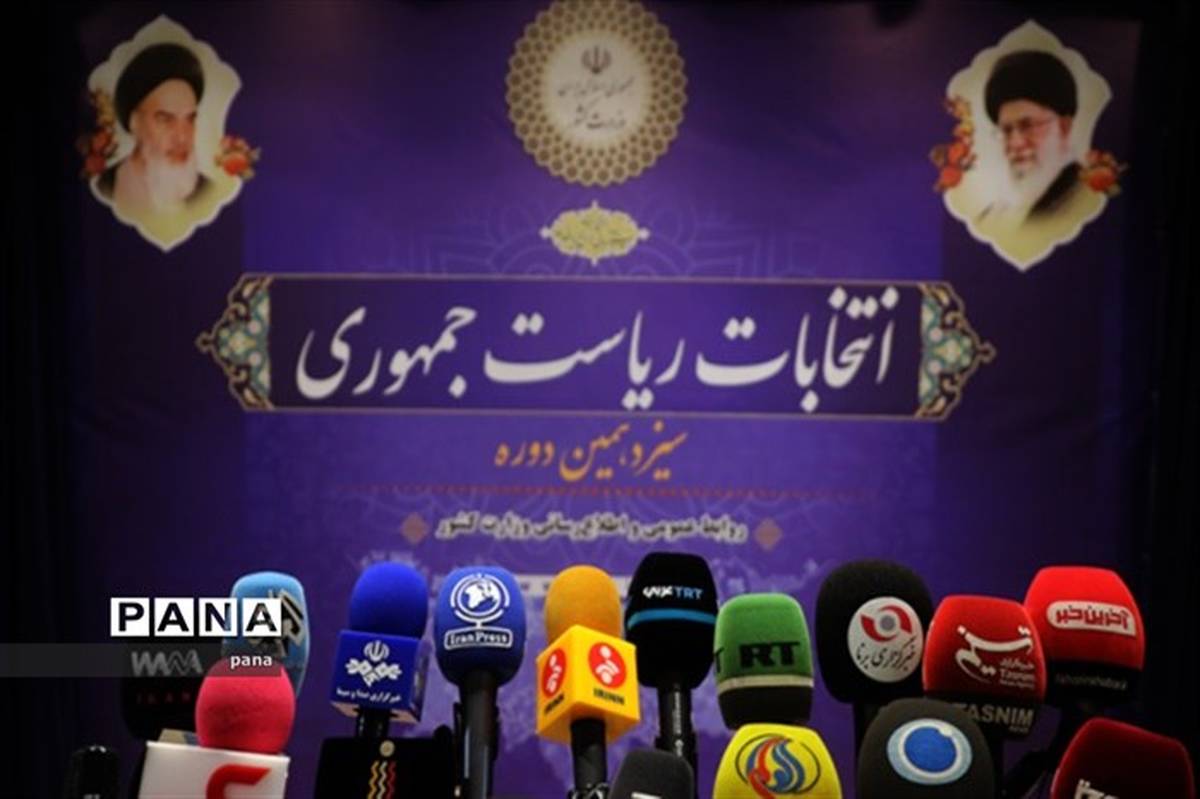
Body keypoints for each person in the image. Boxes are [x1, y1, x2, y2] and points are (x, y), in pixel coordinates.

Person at [96, 43, 211, 216]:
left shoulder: (207, 192)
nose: (182, 137)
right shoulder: (105, 187)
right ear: (135, 123)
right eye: (166, 120)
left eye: (190, 119)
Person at [977, 50, 1089, 227]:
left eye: (1027, 126)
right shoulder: (990, 218)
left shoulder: (1083, 198)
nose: (1015, 143)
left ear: (1064, 127)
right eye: (1006, 130)